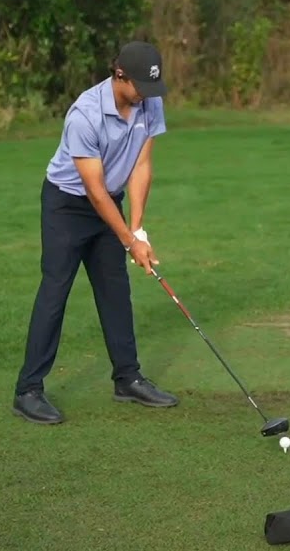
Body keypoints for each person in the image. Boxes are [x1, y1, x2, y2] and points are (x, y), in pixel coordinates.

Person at [12, 40, 179, 425]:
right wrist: (127, 240)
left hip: (111, 202)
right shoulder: (84, 115)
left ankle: (127, 378)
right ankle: (28, 390)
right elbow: (95, 191)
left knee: (115, 290)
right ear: (119, 75)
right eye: (141, 87)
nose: (148, 97)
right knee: (55, 292)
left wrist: (139, 229)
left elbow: (141, 166)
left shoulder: (148, 102)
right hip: (67, 206)